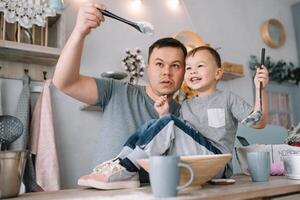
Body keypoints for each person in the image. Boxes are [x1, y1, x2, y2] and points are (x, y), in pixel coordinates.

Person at [77, 46, 269, 190]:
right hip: (194, 160)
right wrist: (164, 116)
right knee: (154, 124)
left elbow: (259, 122)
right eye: (189, 68)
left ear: (218, 73)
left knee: (166, 123)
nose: (193, 72)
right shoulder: (185, 105)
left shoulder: (227, 98)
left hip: (215, 161)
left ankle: (126, 169)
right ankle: (119, 165)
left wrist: (261, 89)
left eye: (200, 66)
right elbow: (182, 138)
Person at [52, 2, 187, 185]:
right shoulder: (117, 91)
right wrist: (79, 32)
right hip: (104, 192)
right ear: (148, 69)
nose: (167, 72)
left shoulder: (185, 115)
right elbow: (64, 82)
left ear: (184, 72)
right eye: (159, 64)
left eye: (176, 66)